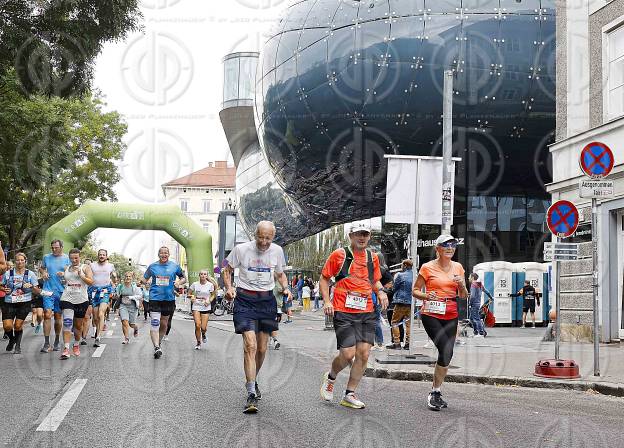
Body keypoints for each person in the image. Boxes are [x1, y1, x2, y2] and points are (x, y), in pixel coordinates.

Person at [222, 220, 292, 414]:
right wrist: (228, 288)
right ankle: (251, 392)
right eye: (260, 237)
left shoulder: (277, 251)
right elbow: (226, 269)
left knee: (261, 348)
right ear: (255, 235)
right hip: (245, 300)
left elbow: (280, 275)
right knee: (250, 345)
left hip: (267, 301)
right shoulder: (241, 249)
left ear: (273, 237)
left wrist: (286, 289)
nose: (263, 242)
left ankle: (253, 379)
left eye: (267, 238)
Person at [319, 223, 388, 409]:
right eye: (358, 234)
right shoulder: (339, 255)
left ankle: (349, 394)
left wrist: (381, 292)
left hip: (366, 311)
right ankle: (331, 377)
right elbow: (325, 278)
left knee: (364, 354)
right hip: (343, 310)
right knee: (348, 354)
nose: (362, 237)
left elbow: (375, 280)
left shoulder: (371, 257)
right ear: (351, 236)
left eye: (365, 234)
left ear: (369, 236)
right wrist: (326, 301)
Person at [412, 234, 468, 411]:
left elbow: (464, 296)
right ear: (438, 249)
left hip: (451, 313)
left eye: (453, 245)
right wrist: (427, 295)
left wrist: (461, 285)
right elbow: (415, 290)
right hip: (431, 313)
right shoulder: (427, 267)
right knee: (444, 348)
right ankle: (434, 393)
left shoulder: (458, 267)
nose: (450, 248)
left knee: (448, 353)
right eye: (446, 245)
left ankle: (435, 391)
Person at [143, 247, 186, 359]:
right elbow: (144, 278)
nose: (164, 255)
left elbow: (183, 278)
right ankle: (156, 347)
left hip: (169, 299)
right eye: (161, 253)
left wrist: (178, 282)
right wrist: (141, 282)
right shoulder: (152, 266)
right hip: (155, 298)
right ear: (158, 254)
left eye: (166, 253)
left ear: (168, 254)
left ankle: (159, 342)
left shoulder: (174, 266)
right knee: (155, 322)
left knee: (164, 324)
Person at [59, 248, 94, 359]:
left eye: (76, 258)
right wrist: (62, 278)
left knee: (78, 326)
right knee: (68, 323)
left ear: (80, 257)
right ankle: (66, 349)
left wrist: (81, 275)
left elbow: (91, 282)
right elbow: (67, 281)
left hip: (81, 300)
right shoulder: (67, 268)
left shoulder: (85, 267)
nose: (74, 260)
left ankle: (76, 344)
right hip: (67, 298)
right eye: (71, 258)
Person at [2, 253, 40, 354]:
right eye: (18, 260)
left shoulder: (31, 274)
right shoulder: (8, 273)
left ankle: (17, 346)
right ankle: (12, 339)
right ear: (15, 262)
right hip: (9, 302)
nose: (20, 262)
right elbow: (1, 285)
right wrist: (4, 288)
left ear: (25, 261)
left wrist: (31, 287)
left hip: (24, 303)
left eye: (22, 260)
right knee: (7, 326)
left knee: (18, 325)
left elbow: (37, 291)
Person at [39, 239, 70, 353]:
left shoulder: (67, 258)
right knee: (47, 314)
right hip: (48, 290)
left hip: (61, 291)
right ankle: (47, 343)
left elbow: (72, 272)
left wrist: (65, 274)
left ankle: (57, 339)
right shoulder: (46, 257)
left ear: (61, 247)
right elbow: (42, 268)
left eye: (56, 247)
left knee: (57, 317)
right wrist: (43, 272)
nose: (54, 249)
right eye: (52, 247)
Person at [90, 249, 116, 348]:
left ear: (106, 256)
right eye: (100, 254)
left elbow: (114, 277)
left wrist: (114, 280)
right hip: (94, 291)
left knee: (101, 313)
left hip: (105, 290)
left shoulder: (110, 266)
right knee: (96, 317)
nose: (101, 256)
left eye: (103, 255)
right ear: (98, 256)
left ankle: (98, 337)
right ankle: (98, 329)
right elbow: (88, 276)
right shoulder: (92, 265)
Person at [387, 259, 413, 350]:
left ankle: (397, 343)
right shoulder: (415, 276)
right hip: (411, 303)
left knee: (395, 322)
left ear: (405, 265)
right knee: (409, 324)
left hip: (400, 302)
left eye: (402, 265)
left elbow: (394, 288)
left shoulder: (400, 275)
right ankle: (408, 344)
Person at [189, 270, 217, 350]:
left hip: (205, 306)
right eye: (201, 274)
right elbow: (189, 293)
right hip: (196, 306)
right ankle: (198, 342)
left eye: (205, 274)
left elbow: (213, 295)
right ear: (199, 275)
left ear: (207, 276)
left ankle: (203, 334)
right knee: (197, 325)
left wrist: (209, 301)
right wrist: (192, 297)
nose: (203, 275)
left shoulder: (210, 285)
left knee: (203, 327)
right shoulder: (195, 284)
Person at [116, 271, 142, 344]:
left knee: (131, 324)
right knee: (124, 321)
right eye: (126, 276)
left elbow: (140, 295)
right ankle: (126, 338)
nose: (128, 278)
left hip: (133, 307)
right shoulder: (120, 286)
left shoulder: (135, 287)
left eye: (129, 276)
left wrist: (131, 297)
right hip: (123, 306)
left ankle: (136, 328)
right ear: (124, 277)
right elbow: (118, 295)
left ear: (132, 278)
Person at [468, 273, 491, 337]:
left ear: (472, 277)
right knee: (472, 318)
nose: (468, 278)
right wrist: (491, 297)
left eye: (469, 277)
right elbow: (487, 291)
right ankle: (476, 332)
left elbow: (472, 296)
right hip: (478, 303)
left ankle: (481, 333)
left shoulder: (473, 285)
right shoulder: (479, 284)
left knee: (476, 318)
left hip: (474, 304)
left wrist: (470, 303)